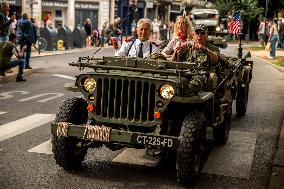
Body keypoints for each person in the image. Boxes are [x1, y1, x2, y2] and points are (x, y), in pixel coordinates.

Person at [173, 24, 220, 91]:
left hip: (204, 74)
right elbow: (176, 60)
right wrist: (179, 51)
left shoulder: (213, 48)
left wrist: (204, 48)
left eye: (202, 33)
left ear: (206, 36)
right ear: (193, 35)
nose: (199, 36)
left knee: (194, 84)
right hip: (186, 73)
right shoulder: (187, 46)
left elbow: (215, 59)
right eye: (197, 33)